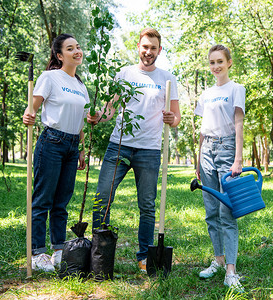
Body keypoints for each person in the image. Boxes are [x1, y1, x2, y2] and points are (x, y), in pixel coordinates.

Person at [87, 28, 180, 272]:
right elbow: (110, 110)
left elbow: (176, 117)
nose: (148, 52)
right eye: (145, 47)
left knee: (147, 206)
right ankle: (99, 255)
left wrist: (172, 118)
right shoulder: (124, 73)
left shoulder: (168, 79)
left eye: (153, 48)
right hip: (119, 145)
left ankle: (143, 257)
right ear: (138, 47)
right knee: (101, 198)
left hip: (149, 150)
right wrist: (97, 116)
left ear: (159, 50)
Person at [22, 33, 88, 272]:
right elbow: (32, 108)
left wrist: (80, 149)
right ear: (60, 55)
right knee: (42, 200)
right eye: (70, 48)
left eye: (78, 47)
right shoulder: (50, 77)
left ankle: (59, 250)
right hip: (51, 142)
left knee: (61, 203)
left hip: (71, 146)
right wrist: (27, 115)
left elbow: (81, 119)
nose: (77, 51)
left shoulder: (81, 86)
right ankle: (37, 253)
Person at [194, 44, 245, 292]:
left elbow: (238, 123)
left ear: (229, 63)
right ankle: (217, 260)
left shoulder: (236, 89)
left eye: (220, 62)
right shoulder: (205, 94)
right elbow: (202, 130)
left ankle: (231, 271)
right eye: (212, 62)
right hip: (207, 150)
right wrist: (197, 159)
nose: (216, 66)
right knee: (211, 211)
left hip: (227, 149)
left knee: (227, 212)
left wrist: (238, 158)